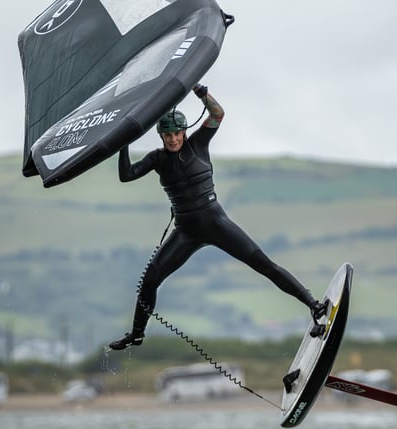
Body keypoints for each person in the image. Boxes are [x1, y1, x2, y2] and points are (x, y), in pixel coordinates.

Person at [108, 83, 327, 350]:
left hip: (216, 223)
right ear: (161, 136)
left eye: (177, 133)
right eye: (167, 135)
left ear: (184, 132)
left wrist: (202, 94)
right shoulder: (157, 159)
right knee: (150, 279)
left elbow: (217, 114)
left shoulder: (199, 143)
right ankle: (137, 334)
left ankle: (313, 305)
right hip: (186, 232)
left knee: (264, 265)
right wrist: (124, 141)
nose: (173, 139)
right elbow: (126, 175)